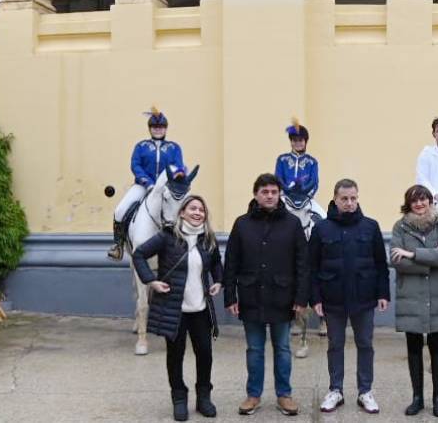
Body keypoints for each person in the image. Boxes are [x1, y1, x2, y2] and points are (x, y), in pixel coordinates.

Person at [224, 174, 309, 416]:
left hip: (283, 298)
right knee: (254, 349)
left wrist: (302, 298)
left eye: (273, 191)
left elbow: (303, 264)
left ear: (279, 194)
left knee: (282, 348)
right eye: (264, 191)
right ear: (256, 195)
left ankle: (284, 395)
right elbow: (231, 262)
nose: (269, 195)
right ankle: (253, 395)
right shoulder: (242, 224)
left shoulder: (292, 224)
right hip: (251, 297)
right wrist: (230, 296)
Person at [134, 195, 224, 421]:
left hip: (200, 309)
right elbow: (139, 254)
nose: (197, 213)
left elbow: (216, 263)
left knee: (205, 354)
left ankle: (204, 397)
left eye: (201, 210)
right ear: (182, 212)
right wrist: (150, 280)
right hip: (174, 309)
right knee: (175, 356)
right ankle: (179, 398)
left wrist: (218, 282)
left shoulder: (207, 239)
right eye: (192, 208)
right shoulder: (167, 237)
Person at [310, 179, 390, 415]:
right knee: (335, 345)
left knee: (365, 344)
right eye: (344, 198)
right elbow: (311, 267)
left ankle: (365, 391)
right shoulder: (321, 229)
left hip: (364, 299)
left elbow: (380, 264)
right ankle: (336, 390)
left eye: (353, 198)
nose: (349, 203)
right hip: (332, 299)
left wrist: (383, 293)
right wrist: (315, 298)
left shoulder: (370, 226)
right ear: (335, 199)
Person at [390, 184, 438, 418]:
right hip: (411, 297)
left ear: (430, 201)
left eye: (423, 199)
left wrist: (413, 253)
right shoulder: (400, 227)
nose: (419, 204)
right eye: (414, 200)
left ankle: (437, 398)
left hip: (437, 296)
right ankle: (417, 397)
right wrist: (431, 258)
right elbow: (396, 261)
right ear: (408, 204)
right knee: (414, 348)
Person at [109, 106, 189, 261]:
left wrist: (177, 174)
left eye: (161, 127)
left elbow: (178, 165)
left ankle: (189, 244)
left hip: (166, 188)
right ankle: (118, 245)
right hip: (143, 186)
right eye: (155, 127)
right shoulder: (141, 146)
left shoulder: (174, 148)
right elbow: (135, 165)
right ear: (150, 129)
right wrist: (147, 182)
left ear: (165, 129)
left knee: (183, 209)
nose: (158, 130)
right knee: (119, 210)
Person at [275, 118, 324, 221]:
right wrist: (288, 189)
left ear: (305, 142)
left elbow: (314, 181)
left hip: (306, 198)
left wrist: (305, 193)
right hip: (285, 197)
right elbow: (278, 178)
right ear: (291, 141)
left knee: (323, 216)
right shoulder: (282, 159)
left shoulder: (312, 162)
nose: (298, 143)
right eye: (294, 140)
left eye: (300, 140)